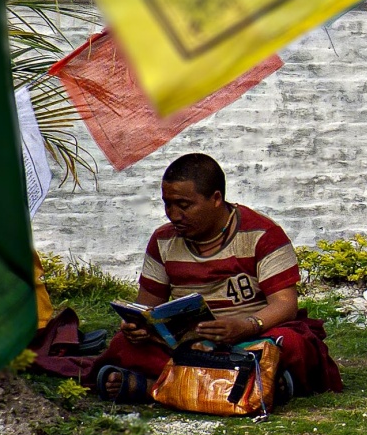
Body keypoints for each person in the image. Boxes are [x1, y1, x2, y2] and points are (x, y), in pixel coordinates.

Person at [90, 153, 342, 404]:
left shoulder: (263, 234)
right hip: (189, 345)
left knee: (292, 344)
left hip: (250, 339)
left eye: (184, 205)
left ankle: (158, 386)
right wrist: (138, 327)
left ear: (216, 199)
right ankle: (255, 385)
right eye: (167, 204)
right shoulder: (162, 240)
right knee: (124, 344)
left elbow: (285, 304)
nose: (174, 215)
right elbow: (146, 305)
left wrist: (245, 326)